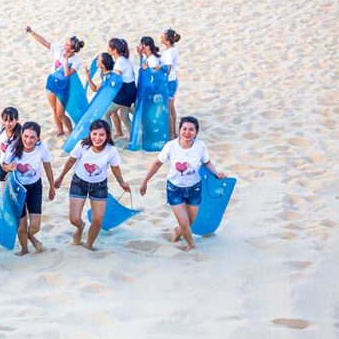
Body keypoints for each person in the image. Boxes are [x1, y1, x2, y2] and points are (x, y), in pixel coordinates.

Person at [139, 116, 227, 251]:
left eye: (191, 130)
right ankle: (192, 246)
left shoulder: (200, 146)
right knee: (185, 223)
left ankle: (178, 231)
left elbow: (206, 162)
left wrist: (216, 173)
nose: (187, 132)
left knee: (190, 222)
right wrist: (145, 181)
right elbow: (157, 163)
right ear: (179, 130)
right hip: (175, 189)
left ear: (196, 132)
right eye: (184, 129)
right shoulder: (170, 146)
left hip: (194, 189)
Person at [54, 119, 131, 250]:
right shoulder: (82, 145)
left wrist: (121, 182)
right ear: (90, 133)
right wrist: (60, 177)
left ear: (107, 136)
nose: (97, 138)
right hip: (79, 183)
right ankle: (80, 227)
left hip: (99, 186)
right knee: (74, 219)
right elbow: (71, 161)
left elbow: (115, 168)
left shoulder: (111, 150)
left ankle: (89, 244)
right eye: (94, 134)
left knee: (98, 220)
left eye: (101, 135)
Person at [0, 121, 55, 255]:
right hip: (16, 189)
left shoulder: (41, 148)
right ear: (21, 135)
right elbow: (3, 167)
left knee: (35, 226)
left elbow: (48, 167)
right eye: (26, 136)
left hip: (34, 187)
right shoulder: (13, 148)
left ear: (38, 138)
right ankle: (24, 249)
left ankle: (31, 236)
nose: (28, 140)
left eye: (32, 137)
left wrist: (52, 187)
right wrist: (9, 167)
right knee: (21, 226)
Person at [26, 26, 84, 137]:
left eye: (67, 45)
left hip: (63, 87)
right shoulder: (58, 49)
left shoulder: (76, 61)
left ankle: (71, 132)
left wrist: (66, 59)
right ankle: (60, 130)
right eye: (65, 43)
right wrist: (31, 32)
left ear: (72, 49)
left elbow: (67, 74)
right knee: (54, 110)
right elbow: (44, 42)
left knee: (60, 113)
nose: (64, 46)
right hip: (52, 83)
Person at [105, 38, 136, 139]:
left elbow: (116, 79)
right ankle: (134, 138)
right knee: (124, 117)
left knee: (106, 114)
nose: (107, 48)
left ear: (114, 50)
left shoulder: (119, 62)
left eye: (109, 47)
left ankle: (107, 139)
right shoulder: (126, 60)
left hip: (124, 92)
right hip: (131, 90)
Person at [161, 28, 183, 139]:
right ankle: (173, 132)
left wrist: (159, 67)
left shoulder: (169, 52)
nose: (161, 38)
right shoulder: (173, 49)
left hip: (169, 82)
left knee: (168, 109)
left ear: (168, 41)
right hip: (173, 80)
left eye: (162, 37)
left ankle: (171, 134)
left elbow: (168, 68)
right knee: (172, 108)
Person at [0, 107, 21, 182]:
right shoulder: (0, 130)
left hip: (16, 168)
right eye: (5, 120)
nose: (7, 124)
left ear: (17, 120)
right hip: (3, 164)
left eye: (11, 120)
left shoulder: (21, 134)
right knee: (2, 190)